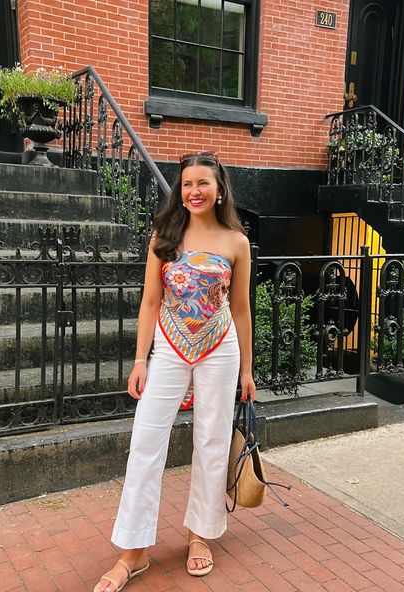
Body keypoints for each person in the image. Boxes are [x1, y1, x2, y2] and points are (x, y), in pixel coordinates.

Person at [94, 151, 256, 592]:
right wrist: (140, 358)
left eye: (203, 183)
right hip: (168, 344)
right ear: (179, 190)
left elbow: (240, 309)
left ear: (219, 189)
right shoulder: (164, 236)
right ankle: (133, 550)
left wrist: (247, 368)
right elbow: (149, 302)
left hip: (220, 348)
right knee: (146, 437)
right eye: (187, 184)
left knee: (212, 437)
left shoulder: (236, 243)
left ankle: (199, 533)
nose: (194, 192)